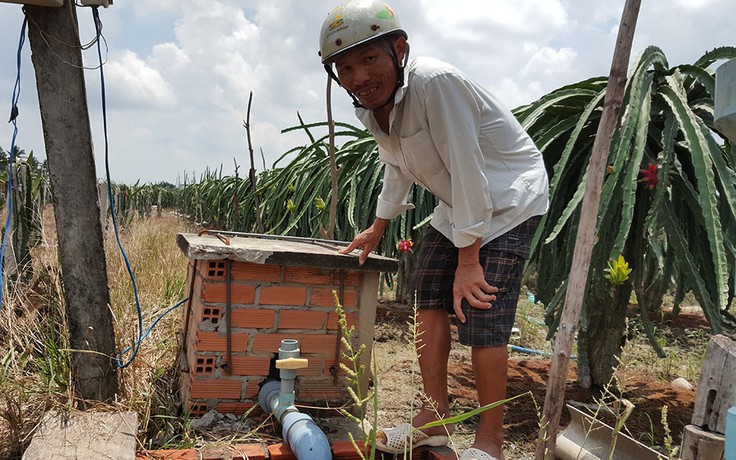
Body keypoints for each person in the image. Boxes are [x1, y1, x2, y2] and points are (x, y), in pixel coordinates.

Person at [318, 2, 549, 460]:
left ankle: (490, 443)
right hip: (460, 204)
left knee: (484, 313)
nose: (359, 76)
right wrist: (377, 227)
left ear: (399, 50)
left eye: (369, 59)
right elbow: (396, 165)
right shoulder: (373, 108)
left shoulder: (433, 84)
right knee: (427, 296)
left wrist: (469, 260)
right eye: (345, 67)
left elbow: (469, 170)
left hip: (508, 196)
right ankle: (434, 419)